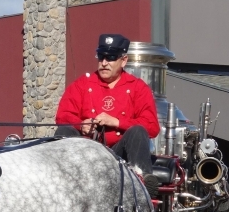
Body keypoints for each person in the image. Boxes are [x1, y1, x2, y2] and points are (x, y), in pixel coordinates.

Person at [55, 34, 161, 197]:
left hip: (119, 154)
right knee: (64, 131)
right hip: (85, 152)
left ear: (123, 60)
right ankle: (59, 183)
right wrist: (81, 124)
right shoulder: (82, 84)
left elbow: (152, 126)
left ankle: (142, 184)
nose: (104, 63)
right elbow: (62, 116)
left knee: (138, 131)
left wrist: (117, 122)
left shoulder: (138, 88)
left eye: (111, 57)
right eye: (101, 57)